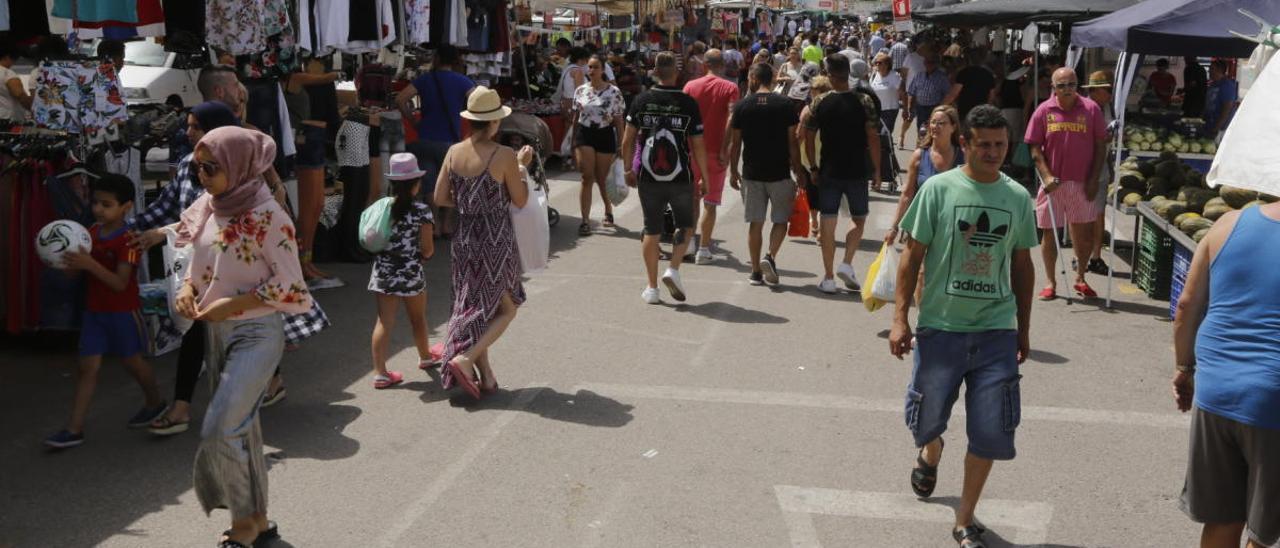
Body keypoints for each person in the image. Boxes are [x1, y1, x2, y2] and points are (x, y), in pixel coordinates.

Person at [890, 104, 1036, 548]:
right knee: (927, 419)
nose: (993, 152)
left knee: (991, 431)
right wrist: (900, 318)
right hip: (941, 328)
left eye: (1000, 144)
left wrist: (1023, 327)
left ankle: (965, 517)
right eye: (984, 144)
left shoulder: (1017, 198)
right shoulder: (938, 191)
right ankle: (930, 451)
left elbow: (1022, 264)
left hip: (996, 331)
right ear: (965, 144)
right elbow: (911, 256)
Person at [175, 126, 312, 548]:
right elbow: (191, 258)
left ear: (239, 166)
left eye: (211, 167)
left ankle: (242, 526)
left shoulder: (270, 216)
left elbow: (292, 286)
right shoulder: (208, 207)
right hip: (216, 334)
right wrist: (187, 289)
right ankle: (259, 519)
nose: (202, 174)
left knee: (221, 427)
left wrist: (229, 307)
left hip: (255, 333)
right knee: (243, 431)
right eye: (197, 166)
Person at [124, 102, 242, 436]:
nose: (187, 133)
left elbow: (212, 217)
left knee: (234, 332)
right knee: (198, 330)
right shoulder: (189, 164)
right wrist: (121, 229)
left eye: (195, 127)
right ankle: (183, 407)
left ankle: (263, 382)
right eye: (188, 126)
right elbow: (162, 209)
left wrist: (161, 234)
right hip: (194, 265)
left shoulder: (235, 168)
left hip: (229, 264)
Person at [1172, 197, 1280, 548]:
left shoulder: (1227, 224)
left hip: (1215, 390)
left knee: (1222, 518)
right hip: (1271, 399)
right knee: (1262, 533)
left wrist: (1184, 369)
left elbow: (1187, 305)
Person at [42, 175, 167, 450]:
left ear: (127, 207)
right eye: (95, 202)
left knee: (132, 362)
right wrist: (66, 263)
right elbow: (78, 274)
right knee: (87, 368)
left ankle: (155, 402)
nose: (98, 209)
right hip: (94, 313)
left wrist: (88, 264)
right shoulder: (89, 234)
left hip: (123, 312)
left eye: (106, 204)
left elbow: (120, 284)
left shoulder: (130, 241)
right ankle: (74, 428)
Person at [433, 87, 532, 399]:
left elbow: (439, 197)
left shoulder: (453, 152)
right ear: (493, 123)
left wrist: (467, 204)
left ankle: (487, 376)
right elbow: (520, 199)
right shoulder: (503, 155)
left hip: (465, 237)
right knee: (507, 307)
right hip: (495, 238)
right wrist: (522, 169)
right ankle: (466, 357)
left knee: (476, 305)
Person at [621, 52, 710, 305]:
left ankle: (651, 288)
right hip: (681, 175)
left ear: (655, 72)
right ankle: (673, 269)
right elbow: (699, 145)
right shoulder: (688, 104)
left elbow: (628, 140)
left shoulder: (642, 100)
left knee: (651, 228)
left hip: (649, 176)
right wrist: (704, 177)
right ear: (677, 73)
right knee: (686, 225)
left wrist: (628, 168)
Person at [1025, 67, 1108, 301]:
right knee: (1049, 235)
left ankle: (1081, 277)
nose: (1067, 89)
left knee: (1082, 236)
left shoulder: (1091, 109)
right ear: (1054, 88)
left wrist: (1093, 180)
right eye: (1061, 85)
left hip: (1082, 183)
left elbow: (1101, 146)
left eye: (1071, 84)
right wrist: (1046, 175)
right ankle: (1050, 282)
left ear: (1078, 85)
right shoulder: (1043, 111)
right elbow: (1034, 147)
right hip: (1053, 183)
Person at [803, 54, 881, 294]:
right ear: (848, 73)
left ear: (828, 74)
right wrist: (878, 170)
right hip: (857, 170)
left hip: (829, 170)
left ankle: (828, 277)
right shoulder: (864, 101)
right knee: (858, 220)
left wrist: (813, 167)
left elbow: (807, 135)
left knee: (828, 222)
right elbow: (873, 137)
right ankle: (847, 263)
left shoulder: (819, 102)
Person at [368, 153, 437, 389]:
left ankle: (380, 373)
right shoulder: (422, 211)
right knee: (418, 319)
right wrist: (422, 255)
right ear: (416, 184)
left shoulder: (382, 207)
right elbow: (427, 249)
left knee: (384, 322)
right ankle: (426, 357)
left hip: (383, 271)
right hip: (410, 272)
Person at [728, 62, 801, 286]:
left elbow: (736, 143)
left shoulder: (742, 106)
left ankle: (755, 272)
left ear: (753, 78)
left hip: (751, 172)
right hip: (779, 172)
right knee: (781, 219)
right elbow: (793, 141)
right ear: (771, 79)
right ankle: (770, 255)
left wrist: (733, 171)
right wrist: (798, 169)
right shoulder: (786, 105)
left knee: (755, 223)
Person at [396, 45, 476, 230]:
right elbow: (478, 104)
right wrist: (469, 130)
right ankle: (447, 223)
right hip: (450, 142)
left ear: (437, 58)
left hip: (425, 140)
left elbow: (400, 99)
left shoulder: (425, 79)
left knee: (429, 185)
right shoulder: (463, 81)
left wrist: (413, 122)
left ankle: (434, 225)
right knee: (451, 184)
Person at [282, 67, 344, 289]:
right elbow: (326, 77)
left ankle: (308, 262)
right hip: (305, 140)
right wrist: (335, 73)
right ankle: (301, 263)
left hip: (315, 138)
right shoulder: (295, 77)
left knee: (316, 206)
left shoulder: (302, 79)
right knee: (308, 210)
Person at [684, 48, 741, 264]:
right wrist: (725, 148)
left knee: (692, 198)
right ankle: (704, 249)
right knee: (711, 201)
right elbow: (732, 117)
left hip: (691, 149)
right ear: (722, 65)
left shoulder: (690, 86)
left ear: (704, 65)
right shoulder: (730, 87)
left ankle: (689, 243)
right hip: (716, 151)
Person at [888, 105, 964, 245]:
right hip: (920, 224)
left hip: (951, 226)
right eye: (933, 122)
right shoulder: (919, 155)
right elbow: (907, 193)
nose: (935, 126)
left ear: (953, 127)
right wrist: (894, 227)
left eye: (941, 123)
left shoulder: (964, 158)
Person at [570, 54, 627, 236]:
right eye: (589, 67)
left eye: (595, 67)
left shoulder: (614, 92)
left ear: (603, 70)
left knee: (601, 178)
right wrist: (572, 140)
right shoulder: (580, 91)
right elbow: (575, 117)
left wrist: (622, 144)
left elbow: (619, 121)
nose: (591, 70)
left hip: (604, 135)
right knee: (587, 177)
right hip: (584, 134)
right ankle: (585, 221)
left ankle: (608, 210)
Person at [1082, 71, 1115, 276]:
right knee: (1084, 215)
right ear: (1095, 91)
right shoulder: (1085, 109)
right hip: (1086, 166)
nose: (1110, 94)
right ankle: (1082, 256)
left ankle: (1095, 257)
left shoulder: (1106, 108)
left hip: (1101, 167)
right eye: (1107, 90)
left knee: (1098, 214)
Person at [944, 49, 997, 120]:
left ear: (969, 60)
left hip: (965, 111)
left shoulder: (964, 73)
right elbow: (991, 97)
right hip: (981, 112)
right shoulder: (989, 74)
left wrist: (940, 106)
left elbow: (953, 94)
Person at [907, 55, 951, 134]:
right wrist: (909, 107)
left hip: (934, 108)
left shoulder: (942, 77)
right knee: (921, 129)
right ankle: (921, 144)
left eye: (932, 63)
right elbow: (911, 91)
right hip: (920, 108)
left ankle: (930, 145)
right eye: (927, 62)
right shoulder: (919, 75)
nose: (929, 64)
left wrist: (941, 107)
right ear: (924, 63)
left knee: (932, 129)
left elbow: (948, 94)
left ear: (937, 64)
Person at [870, 52, 903, 144]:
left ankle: (888, 153)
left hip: (890, 110)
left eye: (879, 63)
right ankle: (883, 150)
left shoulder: (894, 76)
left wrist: (906, 108)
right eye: (876, 62)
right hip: (876, 110)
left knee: (885, 133)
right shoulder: (874, 75)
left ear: (887, 64)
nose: (877, 64)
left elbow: (902, 92)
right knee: (877, 134)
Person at [1205, 59, 1239, 140]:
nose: (1209, 71)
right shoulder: (1212, 84)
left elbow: (1227, 109)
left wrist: (1216, 129)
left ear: (1219, 70)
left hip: (1221, 130)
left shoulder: (1227, 85)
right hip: (1210, 125)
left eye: (1211, 69)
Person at [0, 40, 33, 122]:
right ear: (7, 57)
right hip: (8, 120)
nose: (12, 63)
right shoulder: (7, 73)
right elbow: (19, 94)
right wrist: (32, 108)